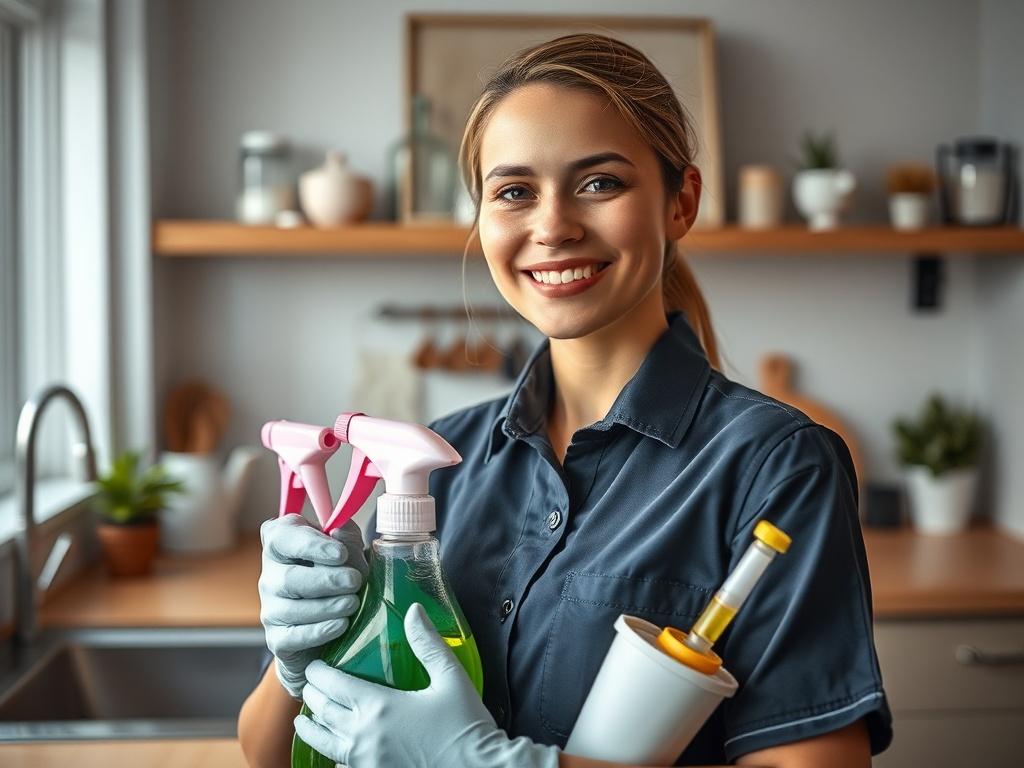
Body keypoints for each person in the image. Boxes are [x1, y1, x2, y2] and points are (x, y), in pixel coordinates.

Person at [238, 33, 892, 768]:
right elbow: (266, 754)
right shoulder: (440, 463)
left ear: (682, 202)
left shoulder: (775, 468)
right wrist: (301, 660)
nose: (552, 226)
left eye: (599, 183)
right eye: (514, 191)